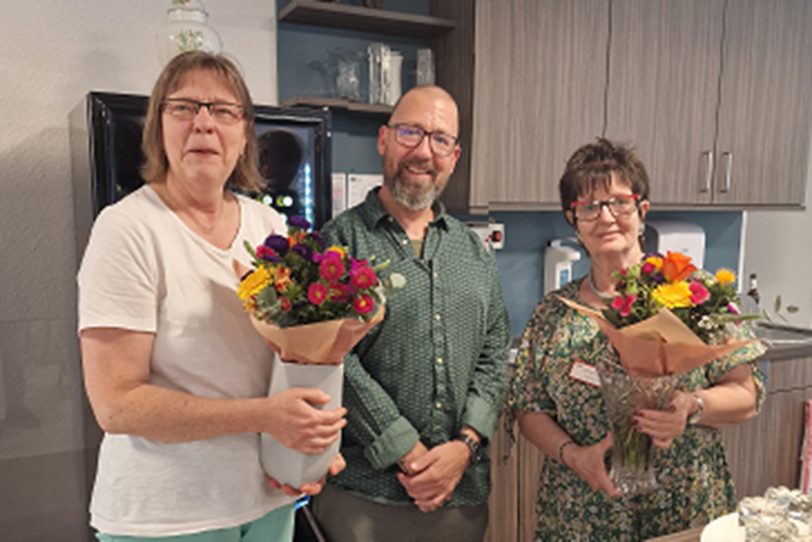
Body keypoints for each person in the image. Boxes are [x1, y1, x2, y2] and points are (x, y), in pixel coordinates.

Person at [77, 51, 346, 542]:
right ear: (159, 126)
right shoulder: (128, 230)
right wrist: (267, 417)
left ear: (245, 133)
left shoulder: (269, 228)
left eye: (223, 111)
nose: (203, 124)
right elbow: (117, 405)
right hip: (167, 517)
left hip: (267, 497)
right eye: (183, 108)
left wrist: (314, 449)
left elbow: (293, 357)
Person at [508, 138, 766, 541]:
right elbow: (528, 409)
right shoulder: (553, 314)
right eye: (589, 207)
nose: (606, 216)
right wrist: (575, 457)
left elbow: (747, 393)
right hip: (581, 511)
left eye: (619, 202)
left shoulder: (694, 294)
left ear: (642, 210)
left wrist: (692, 407)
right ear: (571, 220)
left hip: (683, 504)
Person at [310, 85, 511, 542]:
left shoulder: (472, 251)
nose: (423, 151)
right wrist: (407, 449)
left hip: (462, 496)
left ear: (454, 156)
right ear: (383, 140)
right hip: (366, 497)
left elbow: (494, 354)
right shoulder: (339, 244)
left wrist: (465, 445)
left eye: (440, 139)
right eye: (410, 133)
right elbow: (329, 357)